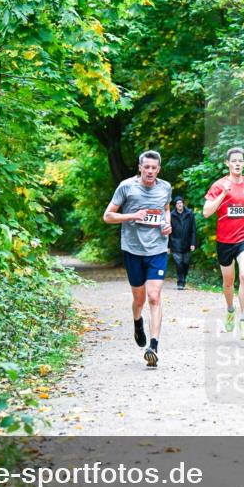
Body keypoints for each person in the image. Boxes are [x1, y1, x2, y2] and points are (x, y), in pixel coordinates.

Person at [102, 150, 172, 367]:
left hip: (157, 249)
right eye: (146, 167)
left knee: (154, 297)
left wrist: (167, 224)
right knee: (139, 300)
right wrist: (132, 215)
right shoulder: (126, 187)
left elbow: (166, 209)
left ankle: (154, 346)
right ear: (140, 168)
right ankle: (137, 322)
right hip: (133, 250)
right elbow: (107, 216)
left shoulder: (165, 187)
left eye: (154, 167)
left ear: (159, 169)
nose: (150, 171)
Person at [202, 146, 244, 340]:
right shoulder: (219, 185)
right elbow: (206, 212)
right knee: (228, 283)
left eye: (240, 161)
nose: (237, 164)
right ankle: (230, 310)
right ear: (227, 163)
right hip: (225, 240)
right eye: (233, 161)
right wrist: (223, 194)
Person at [168, 196, 197, 290]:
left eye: (181, 203)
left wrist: (193, 243)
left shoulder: (190, 214)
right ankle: (180, 282)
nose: (179, 205)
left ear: (183, 204)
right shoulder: (171, 215)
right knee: (178, 263)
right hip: (175, 243)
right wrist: (168, 246)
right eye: (177, 203)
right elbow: (168, 232)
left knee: (185, 263)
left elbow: (193, 230)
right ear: (175, 205)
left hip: (187, 243)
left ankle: (183, 279)